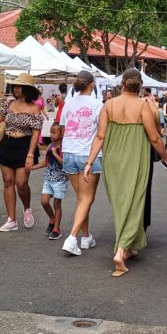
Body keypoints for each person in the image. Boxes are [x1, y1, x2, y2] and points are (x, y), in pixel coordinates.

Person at [84, 69, 167, 276]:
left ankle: (129, 246)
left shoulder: (108, 105)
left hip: (112, 159)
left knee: (120, 203)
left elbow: (99, 137)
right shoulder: (142, 106)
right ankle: (121, 250)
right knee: (134, 203)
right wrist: (165, 158)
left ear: (122, 84)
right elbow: (154, 137)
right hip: (135, 159)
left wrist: (89, 162)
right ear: (139, 86)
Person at [0, 72, 44, 231]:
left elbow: (35, 134)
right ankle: (11, 220)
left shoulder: (35, 109)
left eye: (19, 87)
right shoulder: (9, 104)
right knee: (8, 182)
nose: (16, 89)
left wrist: (30, 155)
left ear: (27, 89)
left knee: (21, 183)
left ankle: (27, 208)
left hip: (25, 146)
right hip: (7, 144)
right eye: (15, 86)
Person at [60, 71, 104, 256]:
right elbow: (101, 133)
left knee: (82, 199)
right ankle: (72, 238)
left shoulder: (68, 103)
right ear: (92, 85)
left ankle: (86, 237)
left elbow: (63, 128)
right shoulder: (98, 104)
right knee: (86, 199)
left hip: (69, 152)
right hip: (88, 154)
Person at [35, 123, 67, 240]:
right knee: (44, 201)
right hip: (48, 179)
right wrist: (32, 168)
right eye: (50, 132)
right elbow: (46, 162)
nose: (51, 135)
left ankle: (56, 229)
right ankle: (52, 219)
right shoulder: (50, 146)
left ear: (62, 133)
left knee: (57, 204)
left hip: (60, 180)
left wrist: (55, 154)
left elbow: (65, 164)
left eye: (54, 132)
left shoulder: (64, 147)